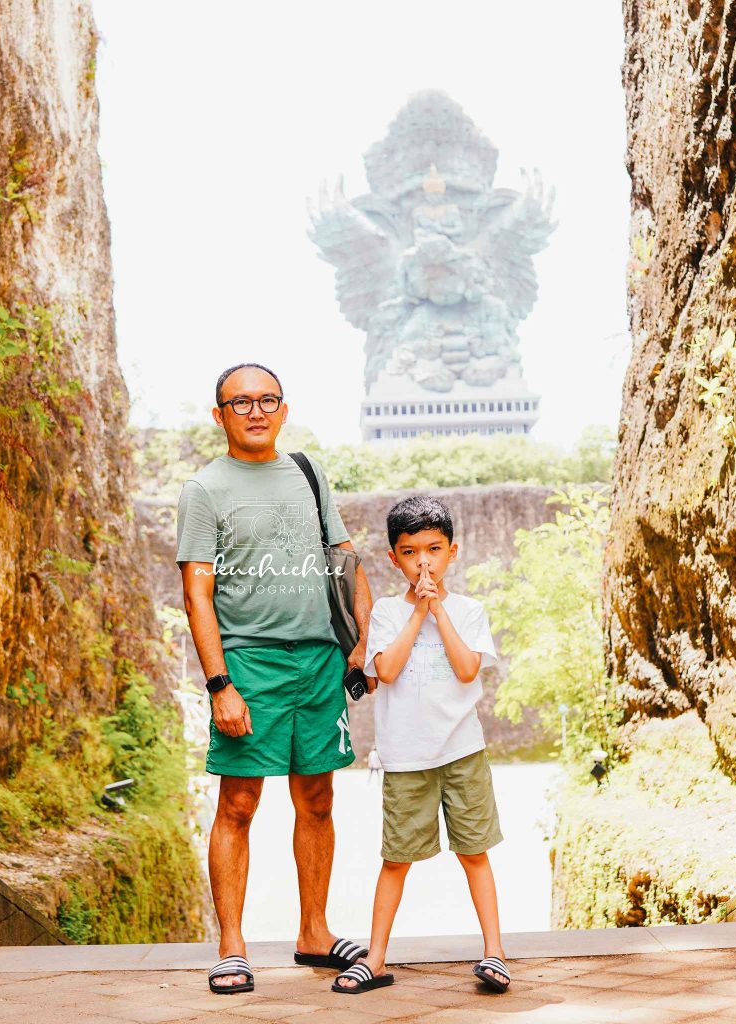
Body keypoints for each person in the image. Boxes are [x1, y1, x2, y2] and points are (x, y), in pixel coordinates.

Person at [176, 362, 375, 994]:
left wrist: (360, 645)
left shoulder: (309, 474)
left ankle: (314, 932)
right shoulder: (204, 489)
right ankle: (232, 945)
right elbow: (196, 594)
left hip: (318, 661)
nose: (256, 411)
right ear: (220, 416)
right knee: (238, 802)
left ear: (283, 409)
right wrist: (218, 684)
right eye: (241, 403)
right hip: (249, 664)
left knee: (317, 798)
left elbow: (342, 558)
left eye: (268, 400)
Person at [332, 495, 511, 996]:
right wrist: (417, 613)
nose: (423, 561)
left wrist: (438, 610)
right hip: (406, 757)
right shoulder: (387, 612)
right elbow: (384, 670)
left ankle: (495, 953)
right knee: (396, 859)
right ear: (395, 559)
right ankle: (376, 959)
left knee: (474, 853)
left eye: (434, 549)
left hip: (462, 751)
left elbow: (466, 668)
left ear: (453, 551)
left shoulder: (470, 610)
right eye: (411, 553)